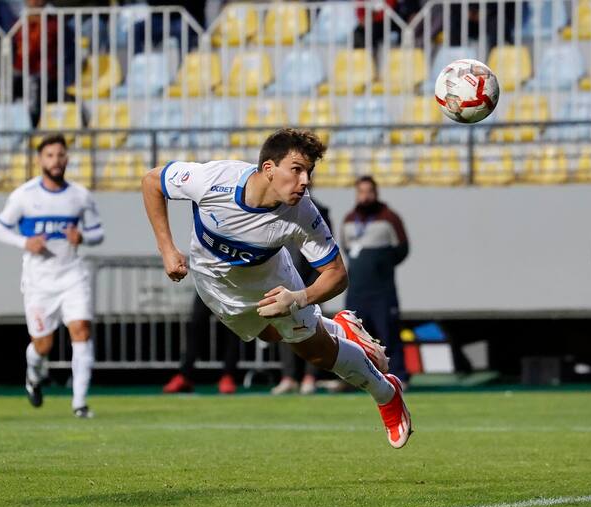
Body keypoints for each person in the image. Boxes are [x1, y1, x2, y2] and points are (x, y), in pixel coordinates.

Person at [141, 128, 412, 448]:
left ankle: (386, 393)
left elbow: (337, 275)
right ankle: (338, 328)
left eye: (308, 172)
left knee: (317, 354)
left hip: (272, 284)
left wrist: (298, 298)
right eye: (296, 169)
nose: (305, 180)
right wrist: (167, 249)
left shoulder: (302, 213)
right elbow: (151, 182)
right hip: (212, 284)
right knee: (271, 334)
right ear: (268, 168)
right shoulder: (213, 179)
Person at [0, 134, 104, 418]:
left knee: (81, 330)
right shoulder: (25, 196)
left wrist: (83, 237)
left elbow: (98, 232)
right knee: (43, 345)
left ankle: (80, 403)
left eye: (60, 155)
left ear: (67, 159)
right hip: (39, 281)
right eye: (50, 155)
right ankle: (33, 375)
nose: (56, 160)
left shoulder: (80, 195)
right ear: (41, 160)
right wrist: (25, 242)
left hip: (72, 275)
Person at [341, 176, 410, 386]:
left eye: (369, 191)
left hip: (382, 291)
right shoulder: (350, 219)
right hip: (356, 290)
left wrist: (381, 263)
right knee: (352, 336)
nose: (365, 196)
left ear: (376, 192)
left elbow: (402, 249)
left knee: (388, 333)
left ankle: (398, 377)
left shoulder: (389, 218)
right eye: (361, 191)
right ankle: (354, 379)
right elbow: (346, 248)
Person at [271, 192, 332, 395]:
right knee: (283, 327)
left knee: (314, 327)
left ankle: (310, 377)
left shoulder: (319, 211)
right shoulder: (277, 208)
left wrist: (314, 286)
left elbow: (326, 252)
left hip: (310, 282)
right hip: (285, 280)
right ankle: (288, 376)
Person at [162, 293, 242, 394]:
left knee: (233, 328)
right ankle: (184, 376)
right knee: (196, 324)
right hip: (208, 284)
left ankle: (228, 376)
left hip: (231, 288)